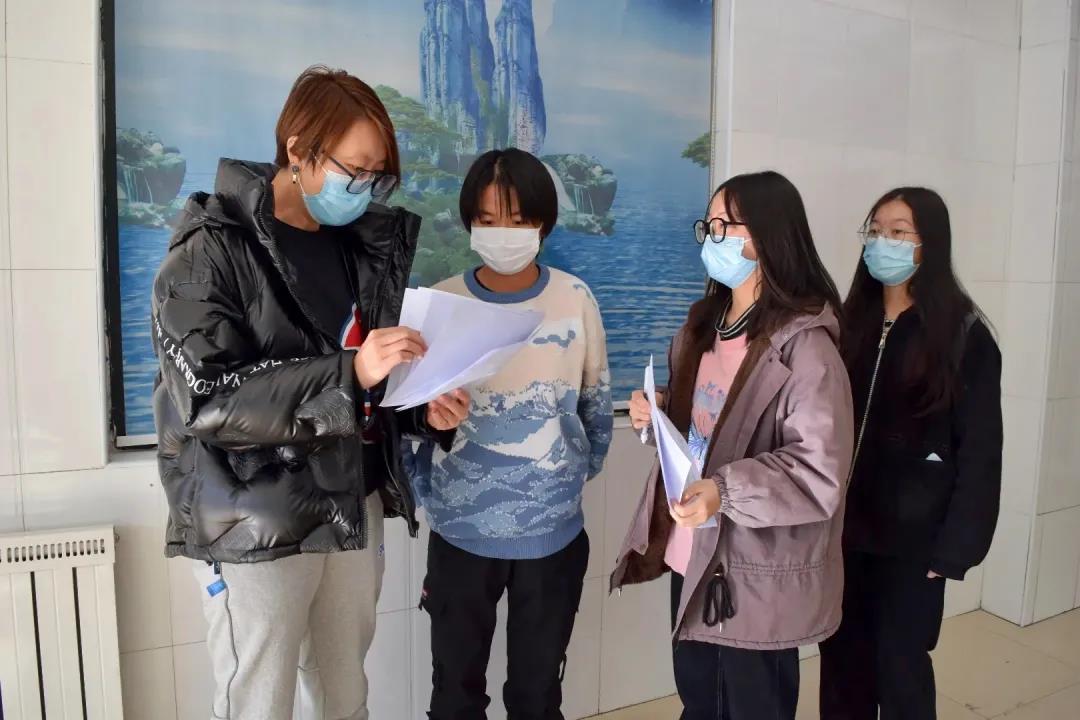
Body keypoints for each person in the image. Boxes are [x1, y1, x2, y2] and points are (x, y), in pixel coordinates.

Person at [151, 66, 470, 720]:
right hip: (254, 514)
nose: (366, 189)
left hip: (351, 501)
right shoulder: (211, 247)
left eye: (379, 176)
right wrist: (352, 372)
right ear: (297, 149)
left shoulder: (358, 248)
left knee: (344, 695)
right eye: (356, 170)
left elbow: (365, 382)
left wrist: (422, 410)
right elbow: (208, 397)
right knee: (259, 703)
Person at [612, 170, 854, 720]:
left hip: (754, 572)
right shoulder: (702, 329)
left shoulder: (807, 351)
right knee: (699, 698)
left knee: (751, 706)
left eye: (724, 226)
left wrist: (724, 492)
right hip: (690, 551)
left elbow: (818, 473)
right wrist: (656, 418)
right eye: (709, 225)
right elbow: (705, 432)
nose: (711, 238)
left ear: (768, 236)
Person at [404, 148, 614, 720]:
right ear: (469, 221)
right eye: (488, 218)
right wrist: (433, 494)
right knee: (454, 695)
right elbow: (407, 425)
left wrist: (561, 480)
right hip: (459, 536)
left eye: (518, 219)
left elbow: (595, 410)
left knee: (537, 696)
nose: (503, 232)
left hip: (552, 536)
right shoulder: (439, 304)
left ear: (543, 222)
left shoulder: (574, 300)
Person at [819, 187, 1002, 720]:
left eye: (899, 232)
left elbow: (981, 452)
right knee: (841, 667)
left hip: (914, 543)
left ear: (931, 243)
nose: (883, 242)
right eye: (875, 231)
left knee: (900, 671)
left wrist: (955, 550)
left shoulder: (964, 336)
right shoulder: (848, 324)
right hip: (845, 532)